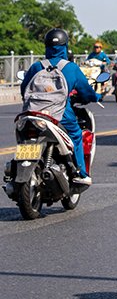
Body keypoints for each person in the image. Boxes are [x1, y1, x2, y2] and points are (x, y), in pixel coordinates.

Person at [20, 29, 101, 185]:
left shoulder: (36, 67)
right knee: (76, 134)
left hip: (32, 113)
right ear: (65, 47)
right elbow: (86, 92)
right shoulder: (71, 68)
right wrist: (95, 96)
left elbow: (24, 90)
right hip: (59, 113)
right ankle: (80, 173)